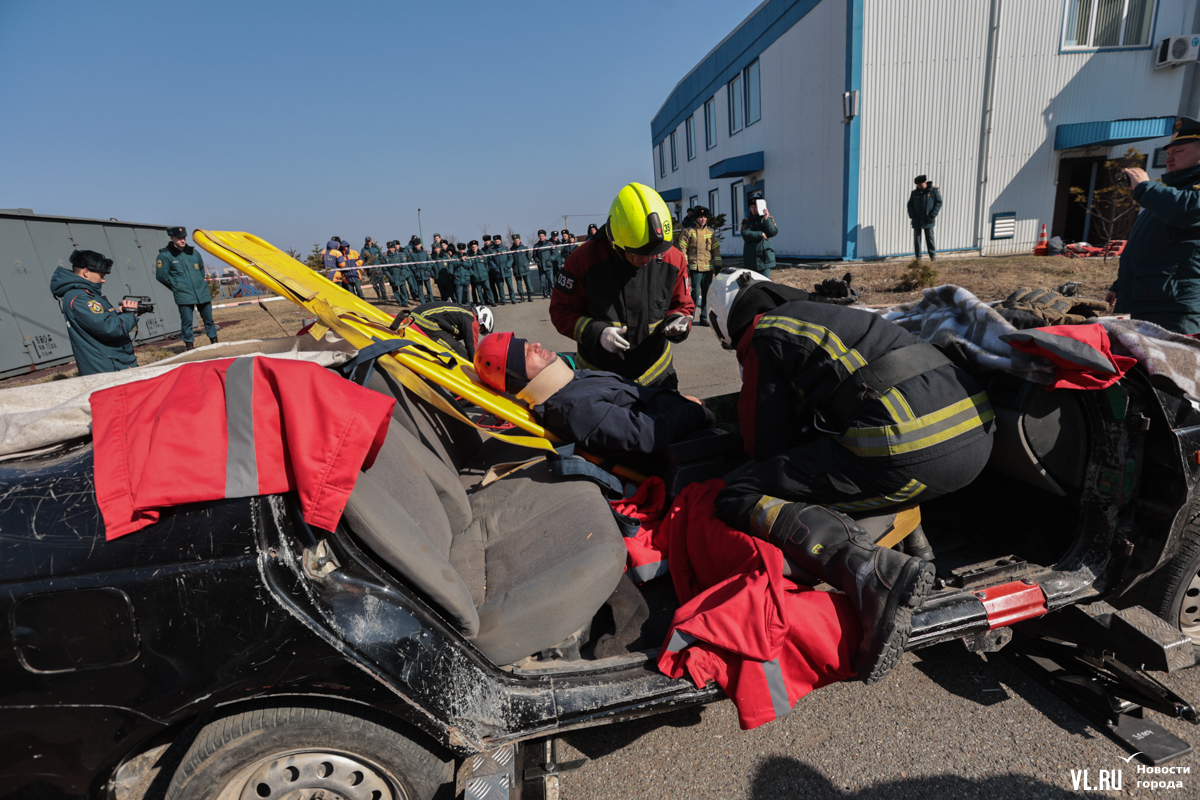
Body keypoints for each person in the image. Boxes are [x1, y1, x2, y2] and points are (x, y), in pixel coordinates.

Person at [705, 268, 995, 684]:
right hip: (977, 442)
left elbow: (764, 447)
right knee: (856, 462)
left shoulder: (763, 334)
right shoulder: (828, 315)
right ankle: (920, 555)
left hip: (912, 451)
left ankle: (871, 574)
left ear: (727, 322)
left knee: (741, 491)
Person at [474, 331, 713, 467]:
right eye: (525, 353)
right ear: (518, 379)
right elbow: (648, 435)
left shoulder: (569, 380)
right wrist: (695, 411)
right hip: (689, 444)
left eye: (528, 344)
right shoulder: (575, 408)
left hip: (682, 416)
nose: (536, 345)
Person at [549, 182, 694, 390]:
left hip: (657, 375)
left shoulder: (673, 259)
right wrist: (596, 332)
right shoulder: (583, 260)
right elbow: (561, 312)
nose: (649, 259)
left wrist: (678, 322)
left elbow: (683, 306)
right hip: (599, 378)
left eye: (656, 253)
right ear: (615, 241)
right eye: (640, 253)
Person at [1108, 116, 1200, 333]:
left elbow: (1184, 211)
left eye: (1178, 152)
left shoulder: (1168, 196)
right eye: (1167, 153)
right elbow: (1146, 246)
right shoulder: (1167, 194)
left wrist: (1145, 187)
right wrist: (1121, 285)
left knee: (1177, 365)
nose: (1169, 158)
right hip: (1153, 299)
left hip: (1177, 306)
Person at [52, 249, 140, 375]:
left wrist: (122, 315)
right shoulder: (81, 298)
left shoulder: (85, 294)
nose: (103, 280)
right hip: (107, 368)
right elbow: (109, 329)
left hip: (112, 363)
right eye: (101, 276)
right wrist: (131, 315)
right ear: (86, 272)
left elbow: (101, 324)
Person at [155, 226, 218, 351]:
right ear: (172, 238)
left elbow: (200, 271)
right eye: (179, 238)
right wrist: (177, 286)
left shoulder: (194, 254)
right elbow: (162, 276)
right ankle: (189, 347)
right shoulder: (165, 256)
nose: (182, 240)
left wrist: (200, 283)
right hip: (183, 294)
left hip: (202, 292)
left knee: (209, 320)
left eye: (183, 238)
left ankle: (215, 343)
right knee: (187, 322)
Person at [399, 301, 492, 360]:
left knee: (451, 344)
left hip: (417, 317)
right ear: (482, 319)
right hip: (424, 320)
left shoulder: (464, 312)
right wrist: (476, 367)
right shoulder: (471, 319)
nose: (478, 331)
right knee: (460, 352)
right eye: (482, 329)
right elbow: (472, 347)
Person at [677, 205, 722, 326]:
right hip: (695, 268)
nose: (703, 219)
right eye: (700, 217)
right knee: (695, 292)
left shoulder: (710, 233)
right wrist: (685, 265)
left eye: (704, 217)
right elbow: (682, 249)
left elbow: (716, 250)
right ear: (696, 218)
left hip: (707, 268)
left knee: (707, 292)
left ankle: (704, 317)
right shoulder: (688, 231)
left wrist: (718, 265)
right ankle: (690, 316)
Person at [741, 192, 778, 277]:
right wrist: (760, 234)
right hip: (751, 260)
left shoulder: (768, 219)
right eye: (751, 207)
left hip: (764, 259)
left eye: (756, 207)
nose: (753, 209)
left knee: (764, 284)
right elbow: (745, 234)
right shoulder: (746, 221)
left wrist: (766, 219)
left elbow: (773, 232)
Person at [907, 175, 942, 261]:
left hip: (928, 219)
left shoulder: (934, 191)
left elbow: (938, 203)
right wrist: (912, 215)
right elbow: (910, 205)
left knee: (929, 237)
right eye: (918, 185)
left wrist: (932, 215)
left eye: (921, 185)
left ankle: (932, 256)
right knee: (917, 238)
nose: (920, 187)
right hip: (917, 219)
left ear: (925, 183)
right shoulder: (914, 193)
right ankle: (918, 257)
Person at [488, 235, 514, 305]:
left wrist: (507, 266)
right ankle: (503, 300)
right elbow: (490, 261)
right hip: (498, 272)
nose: (497, 243)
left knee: (510, 286)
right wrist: (495, 268)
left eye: (498, 241)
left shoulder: (506, 248)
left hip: (506, 270)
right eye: (495, 242)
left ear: (501, 241)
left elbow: (511, 258)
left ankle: (513, 299)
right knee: (500, 287)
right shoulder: (491, 250)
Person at [510, 233, 534, 302]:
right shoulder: (511, 249)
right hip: (516, 269)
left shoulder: (524, 247)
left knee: (528, 283)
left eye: (517, 240)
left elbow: (528, 256)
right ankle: (522, 297)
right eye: (515, 241)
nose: (516, 242)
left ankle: (529, 296)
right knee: (519, 285)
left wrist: (527, 263)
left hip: (525, 268)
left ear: (520, 240)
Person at [467, 240, 492, 305]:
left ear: (477, 247)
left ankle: (492, 301)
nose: (474, 248)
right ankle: (482, 302)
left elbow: (486, 263)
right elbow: (469, 266)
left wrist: (486, 270)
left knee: (488, 288)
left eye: (475, 247)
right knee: (479, 291)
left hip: (484, 275)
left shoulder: (482, 253)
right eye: (472, 247)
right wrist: (472, 273)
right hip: (476, 277)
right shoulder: (469, 256)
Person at [408, 237, 432, 303]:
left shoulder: (425, 253)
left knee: (429, 288)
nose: (417, 246)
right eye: (415, 245)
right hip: (418, 274)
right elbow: (411, 264)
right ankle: (423, 302)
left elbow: (430, 262)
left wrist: (428, 270)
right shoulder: (412, 254)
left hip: (426, 273)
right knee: (420, 289)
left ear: (420, 244)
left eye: (418, 245)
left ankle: (431, 300)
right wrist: (415, 271)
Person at [533, 230, 555, 298]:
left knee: (551, 281)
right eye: (540, 236)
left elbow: (554, 253)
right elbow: (534, 256)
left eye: (542, 236)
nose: (541, 237)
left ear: (545, 236)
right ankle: (544, 294)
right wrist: (538, 261)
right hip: (541, 266)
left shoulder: (549, 244)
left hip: (549, 265)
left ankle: (552, 293)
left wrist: (550, 260)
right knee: (543, 282)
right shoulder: (536, 245)